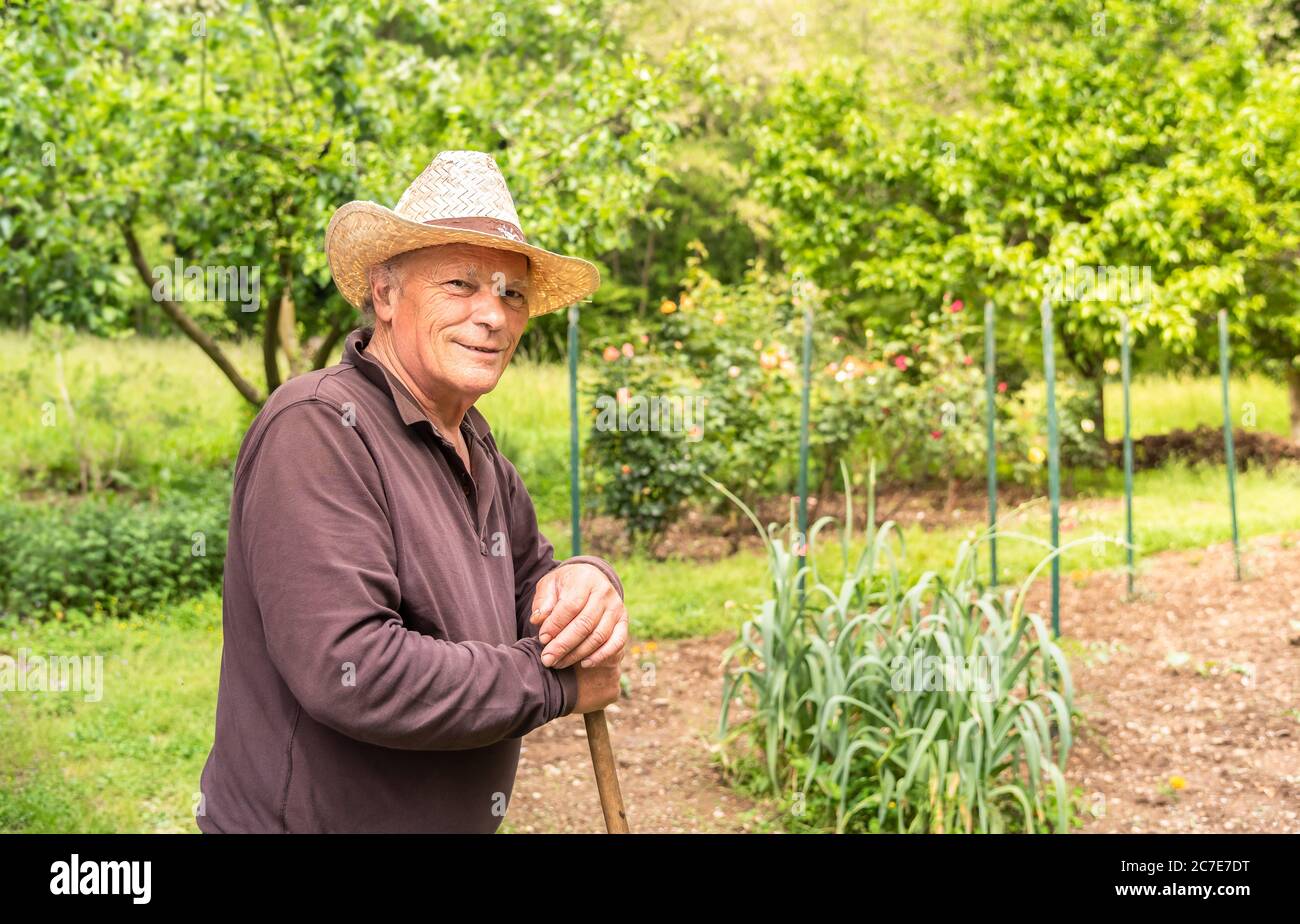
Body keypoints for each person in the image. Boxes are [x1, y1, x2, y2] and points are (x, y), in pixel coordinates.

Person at [196, 150, 628, 833]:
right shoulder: (319, 429)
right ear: (385, 294)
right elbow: (355, 669)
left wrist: (588, 583)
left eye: (511, 293)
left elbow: (533, 595)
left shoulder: (477, 449)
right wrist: (556, 685)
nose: (493, 314)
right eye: (460, 284)